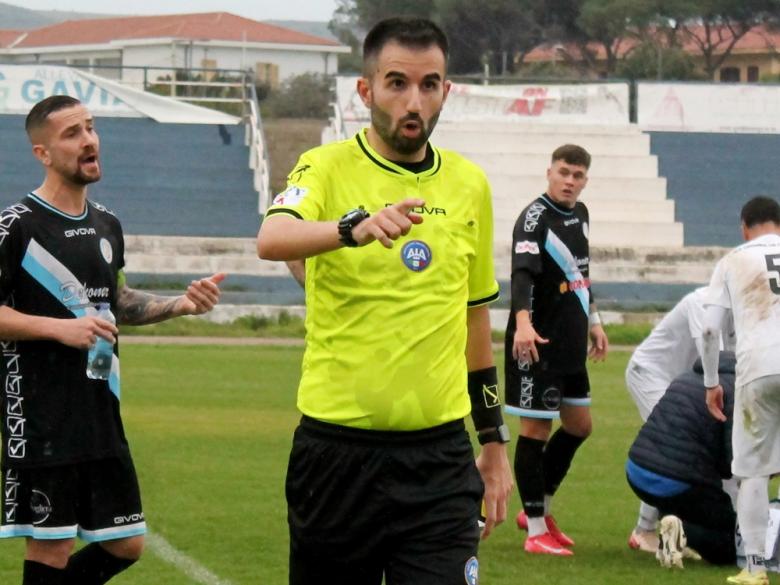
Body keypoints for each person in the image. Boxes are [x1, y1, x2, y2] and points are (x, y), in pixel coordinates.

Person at [256, 17, 513, 585]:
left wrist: (493, 440)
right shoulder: (325, 166)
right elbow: (272, 239)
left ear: (446, 90)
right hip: (337, 457)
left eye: (429, 84)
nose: (413, 100)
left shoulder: (469, 184)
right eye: (397, 83)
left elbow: (475, 320)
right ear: (366, 89)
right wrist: (351, 229)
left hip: (440, 460)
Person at [0, 95, 225, 585]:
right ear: (42, 153)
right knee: (53, 544)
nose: (89, 140)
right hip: (43, 418)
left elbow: (115, 300)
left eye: (91, 128)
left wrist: (180, 305)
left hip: (100, 412)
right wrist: (60, 328)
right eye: (73, 133)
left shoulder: (107, 224)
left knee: (126, 543)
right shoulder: (15, 226)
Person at [504, 144, 609, 556]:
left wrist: (595, 323)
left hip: (570, 344)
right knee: (535, 431)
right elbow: (522, 276)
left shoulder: (579, 214)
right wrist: (523, 325)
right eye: (564, 172)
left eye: (578, 175)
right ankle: (534, 531)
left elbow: (580, 273)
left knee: (580, 426)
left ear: (585, 180)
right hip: (538, 344)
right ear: (549, 172)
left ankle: (539, 509)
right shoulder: (534, 219)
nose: (570, 181)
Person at [702, 195, 780, 585]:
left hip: (760, 369)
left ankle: (754, 569)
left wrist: (712, 382)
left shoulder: (734, 259)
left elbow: (710, 329)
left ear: (744, 226)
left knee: (753, 471)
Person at [625, 287, 736, 552]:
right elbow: (714, 362)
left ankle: (669, 527)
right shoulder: (705, 303)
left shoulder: (743, 312)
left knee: (684, 451)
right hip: (651, 373)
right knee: (672, 447)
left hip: (685, 384)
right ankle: (645, 530)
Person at [626, 352, 737, 569]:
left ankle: (670, 530)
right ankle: (681, 531)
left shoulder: (686, 377)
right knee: (729, 541)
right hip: (677, 480)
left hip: (637, 470)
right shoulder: (734, 390)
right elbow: (733, 459)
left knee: (685, 502)